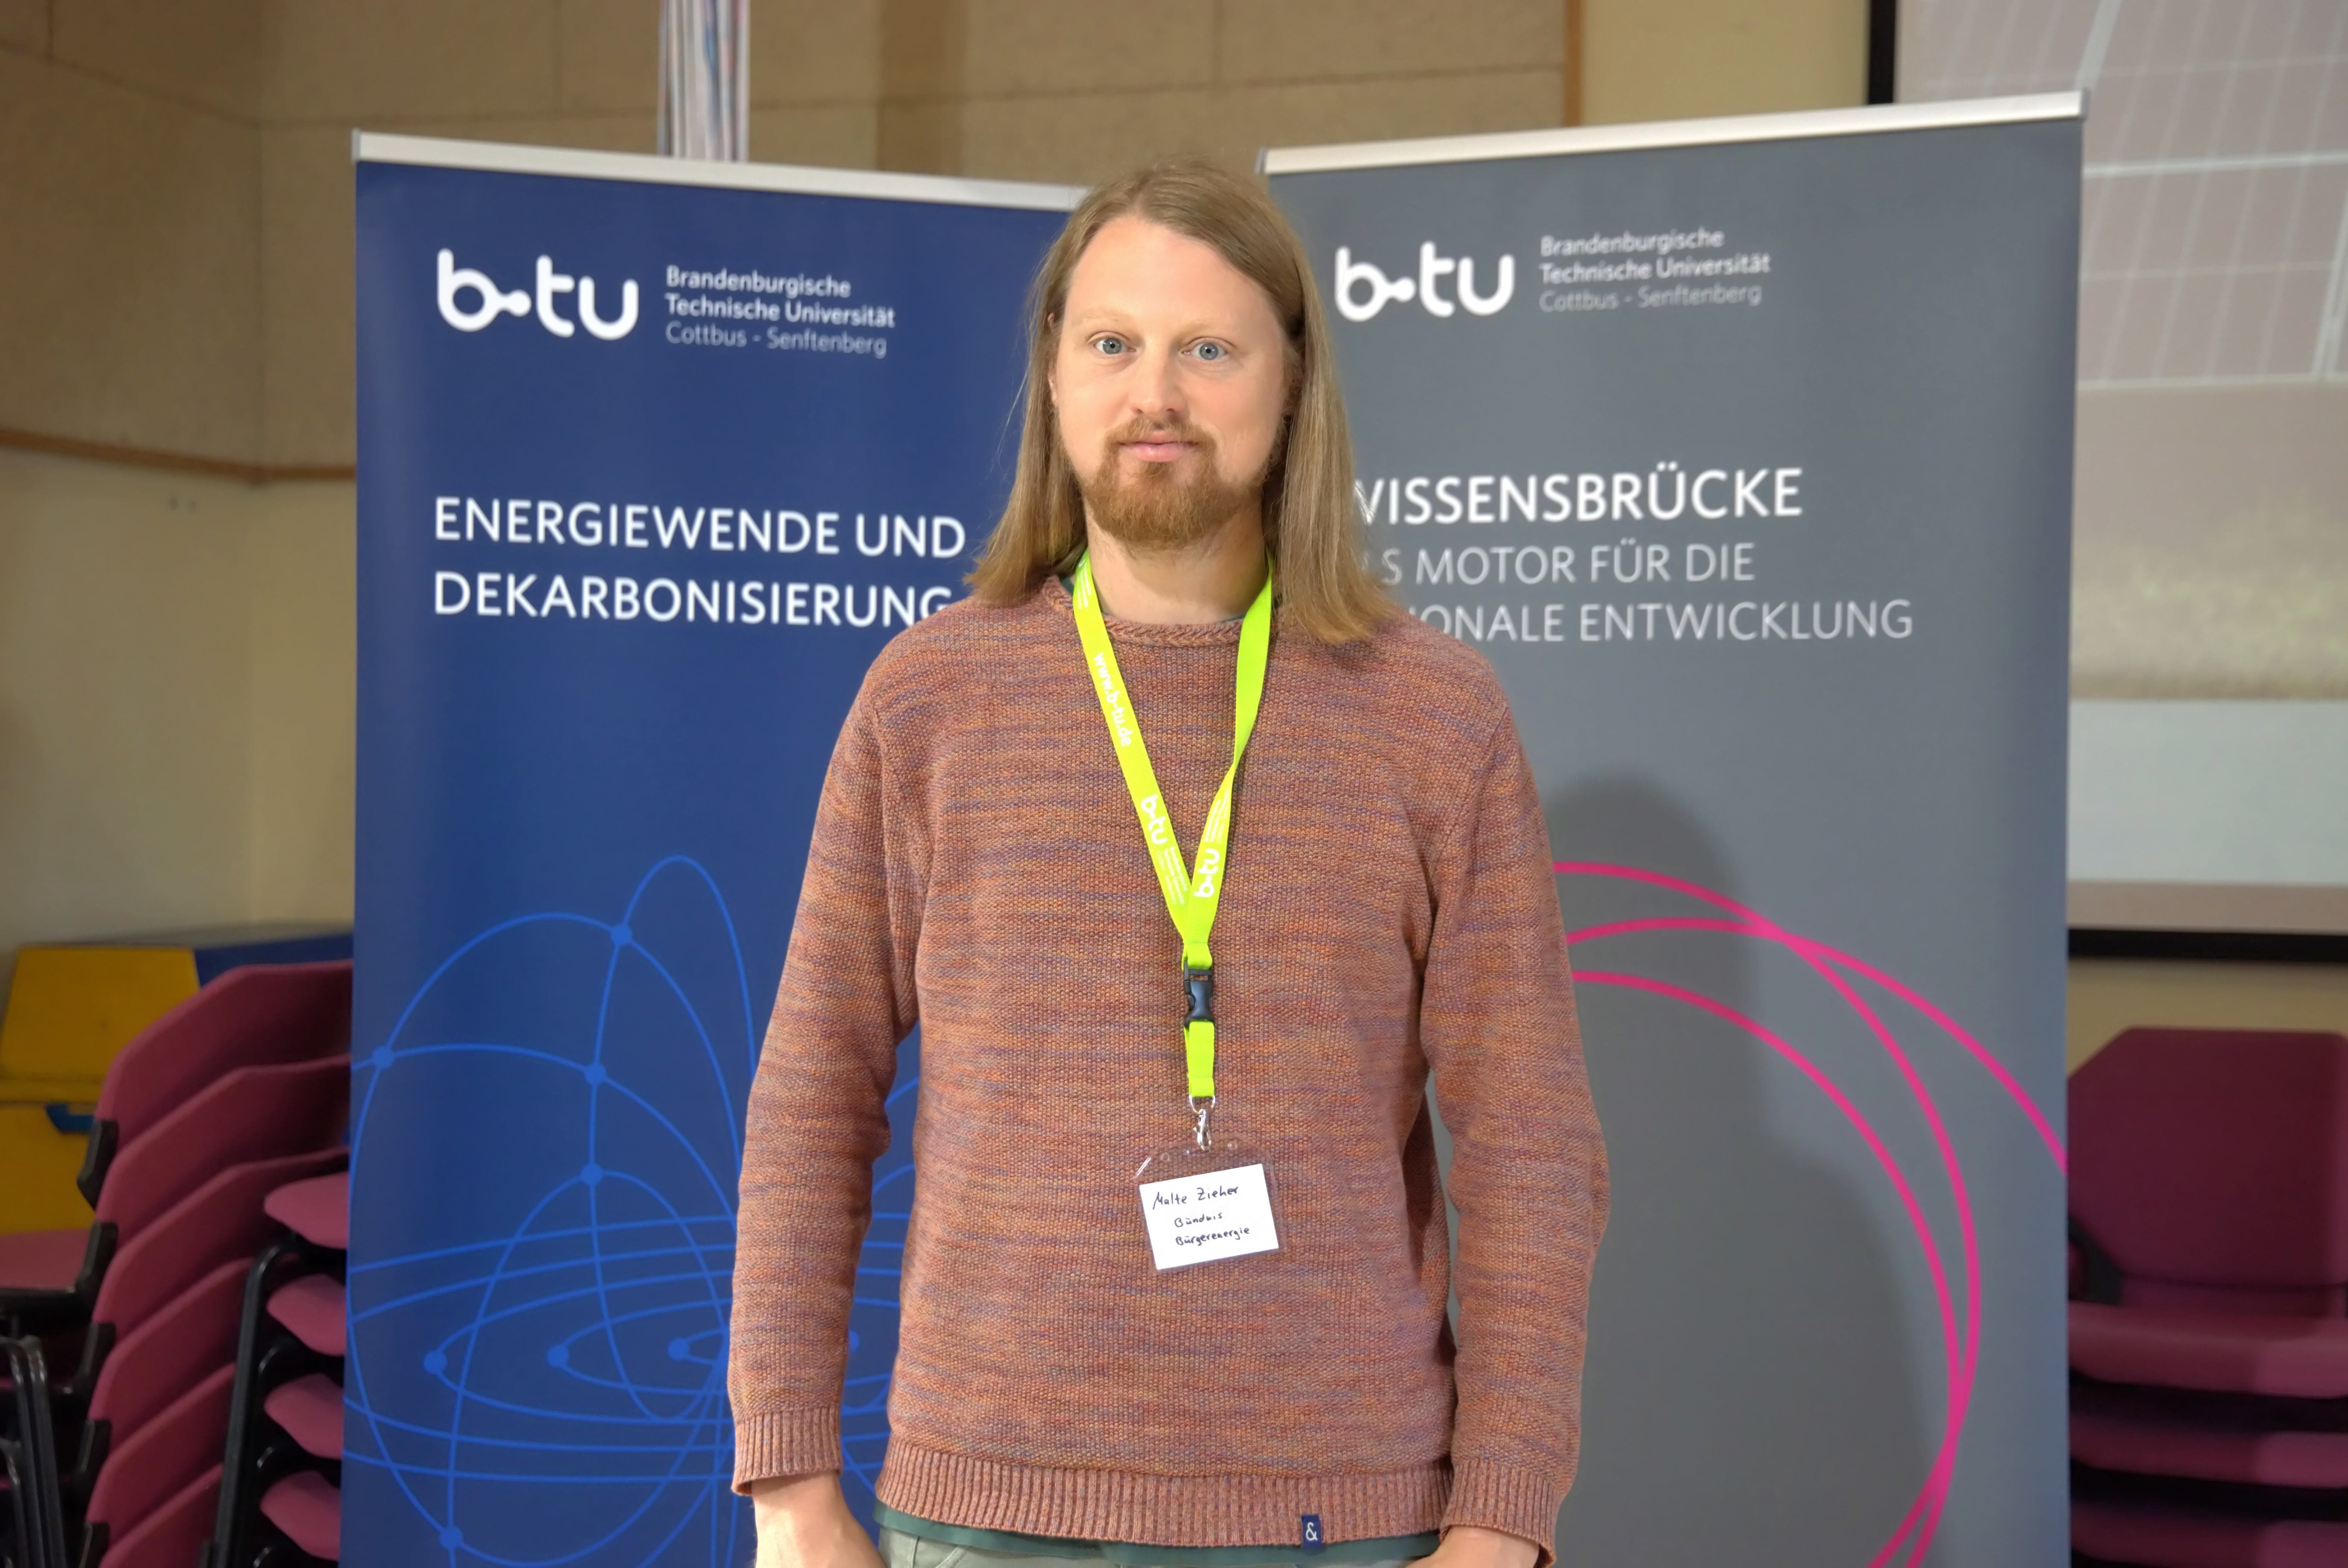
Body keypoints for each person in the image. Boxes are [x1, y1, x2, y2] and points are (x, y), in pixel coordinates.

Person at [730, 157, 1607, 1568]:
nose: (1156, 394)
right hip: (986, 1513)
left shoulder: (1433, 714)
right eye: (1112, 344)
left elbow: (1530, 1143)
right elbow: (811, 1100)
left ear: (1292, 381)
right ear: (1056, 376)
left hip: (1344, 1518)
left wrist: (1504, 1517)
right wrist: (787, 1483)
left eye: (1209, 349)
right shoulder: (927, 700)